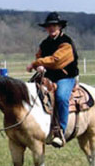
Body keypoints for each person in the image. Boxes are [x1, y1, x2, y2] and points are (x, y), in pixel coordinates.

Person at [26, 12, 79, 148]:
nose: (51, 28)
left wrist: (35, 63)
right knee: (29, 91)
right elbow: (39, 55)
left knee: (61, 97)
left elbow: (56, 61)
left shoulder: (66, 43)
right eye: (49, 26)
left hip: (65, 77)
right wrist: (39, 67)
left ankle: (60, 130)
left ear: (60, 27)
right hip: (48, 76)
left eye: (54, 26)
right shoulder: (44, 43)